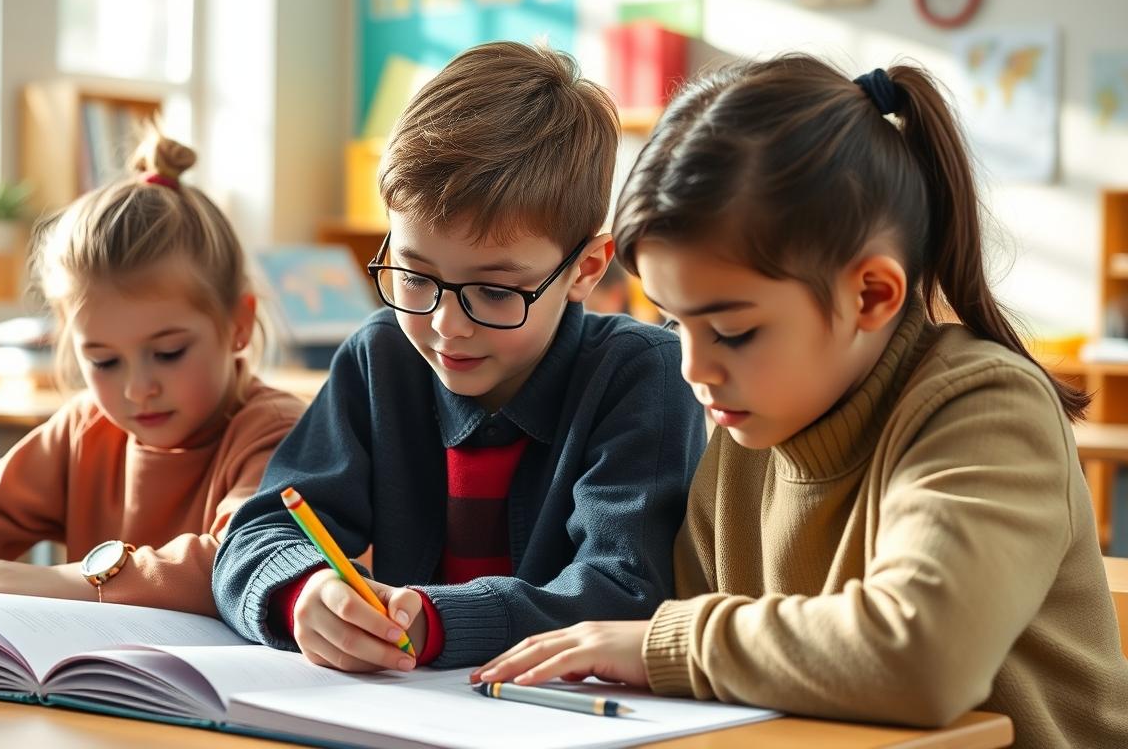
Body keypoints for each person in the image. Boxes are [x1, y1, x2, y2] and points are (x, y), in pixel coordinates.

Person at [472, 56, 1128, 747]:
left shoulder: (988, 409)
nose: (694, 369)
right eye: (673, 321)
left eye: (732, 331)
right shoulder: (745, 436)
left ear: (871, 295)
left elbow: (922, 656)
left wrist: (662, 644)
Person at [213, 41, 708, 672]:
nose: (446, 326)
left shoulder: (643, 373)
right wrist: (301, 594)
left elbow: (625, 592)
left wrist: (442, 622)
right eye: (414, 277)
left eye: (495, 292)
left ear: (585, 269)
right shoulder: (382, 357)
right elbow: (255, 536)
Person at [0, 131, 305, 618]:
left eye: (169, 352)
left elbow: (245, 562)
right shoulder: (86, 430)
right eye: (104, 361)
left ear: (238, 324)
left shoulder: (278, 431)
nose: (138, 389)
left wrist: (76, 582)